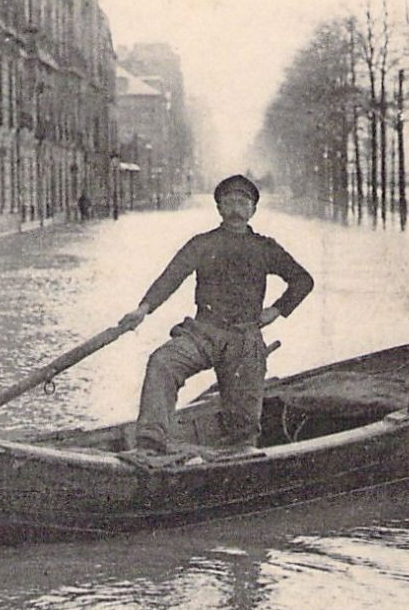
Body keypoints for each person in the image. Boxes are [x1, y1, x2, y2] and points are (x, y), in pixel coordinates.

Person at [119, 174, 314, 456]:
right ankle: (150, 445)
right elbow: (171, 277)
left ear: (253, 210)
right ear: (219, 208)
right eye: (229, 201)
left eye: (243, 202)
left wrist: (277, 310)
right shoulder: (202, 244)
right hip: (202, 334)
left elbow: (303, 280)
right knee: (162, 362)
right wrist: (143, 309)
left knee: (244, 431)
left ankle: (240, 452)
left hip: (245, 341)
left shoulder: (265, 248)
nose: (236, 208)